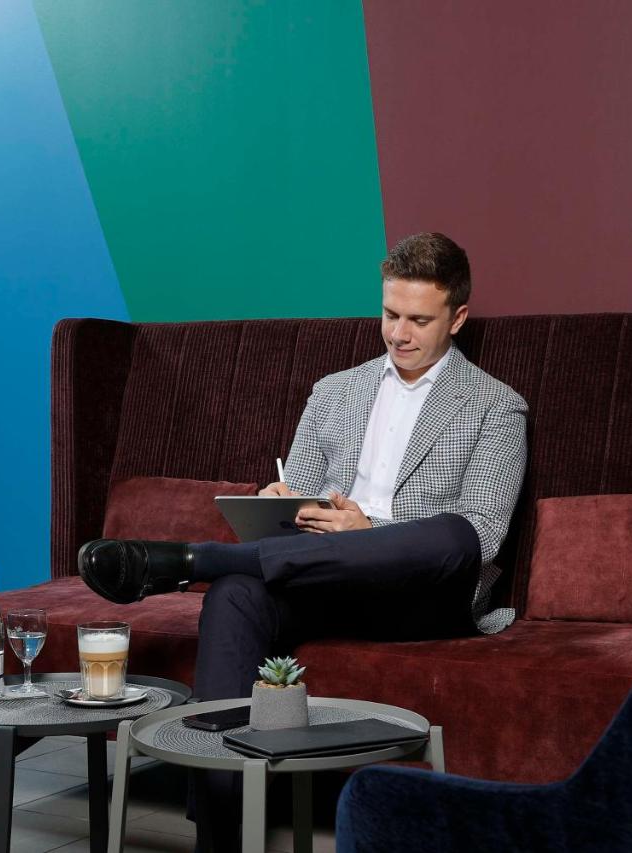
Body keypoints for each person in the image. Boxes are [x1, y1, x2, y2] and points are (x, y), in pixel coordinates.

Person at [77, 232, 528, 852]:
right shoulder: (335, 391)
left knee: (454, 533)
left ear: (457, 318)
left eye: (419, 320)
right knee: (235, 595)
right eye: (390, 314)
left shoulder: (496, 406)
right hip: (324, 580)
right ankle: (219, 834)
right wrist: (279, 504)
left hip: (420, 595)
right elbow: (301, 500)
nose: (399, 333)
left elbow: (484, 534)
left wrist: (370, 530)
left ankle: (194, 560)